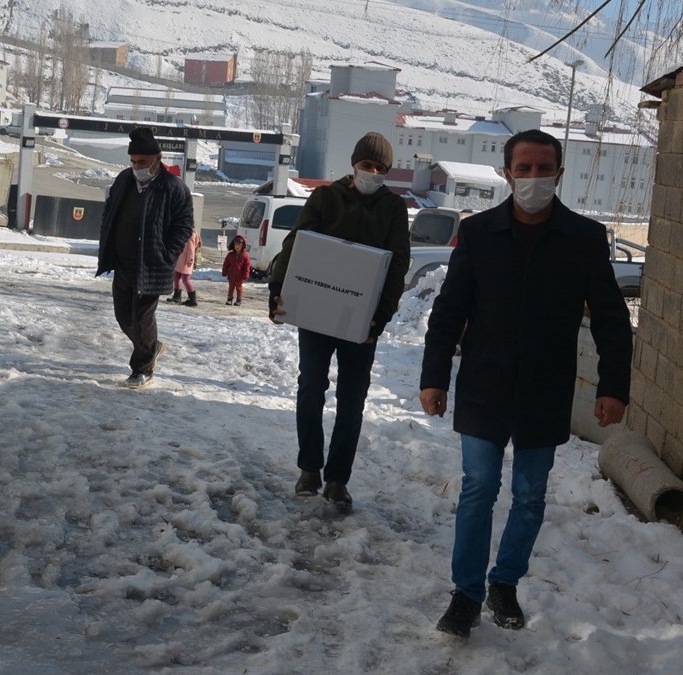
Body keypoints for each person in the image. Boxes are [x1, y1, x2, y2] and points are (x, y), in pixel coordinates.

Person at [419, 129, 632, 638]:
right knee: (478, 488)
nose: (533, 178)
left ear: (559, 174)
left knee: (531, 494)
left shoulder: (583, 238)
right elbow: (449, 311)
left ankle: (505, 582)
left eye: (544, 169)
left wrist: (613, 386)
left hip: (545, 388)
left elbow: (610, 319)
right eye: (524, 168)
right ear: (507, 173)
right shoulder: (479, 234)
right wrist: (433, 376)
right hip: (484, 383)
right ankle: (466, 595)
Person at [268, 132, 411, 513]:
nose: (373, 173)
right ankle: (310, 469)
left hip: (360, 323)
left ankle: (337, 479)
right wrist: (278, 288)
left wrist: (380, 319)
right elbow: (296, 243)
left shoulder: (393, 209)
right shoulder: (325, 198)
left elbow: (397, 265)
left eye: (381, 169)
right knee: (310, 388)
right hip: (316, 314)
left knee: (352, 400)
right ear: (354, 164)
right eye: (368, 165)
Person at [96, 127, 195, 389]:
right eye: (133, 161)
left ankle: (142, 368)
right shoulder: (123, 181)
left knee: (141, 318)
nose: (136, 166)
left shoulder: (174, 188)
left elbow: (185, 226)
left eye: (141, 162)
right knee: (123, 317)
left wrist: (168, 253)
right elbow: (109, 210)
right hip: (123, 262)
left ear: (156, 159)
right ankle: (153, 347)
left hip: (152, 264)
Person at [168, 228, 202, 307]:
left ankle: (192, 299)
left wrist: (190, 260)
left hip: (186, 261)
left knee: (185, 279)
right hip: (180, 259)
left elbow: (191, 248)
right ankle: (177, 296)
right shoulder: (185, 231)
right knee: (176, 277)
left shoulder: (191, 234)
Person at [222, 235, 252, 306]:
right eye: (236, 245)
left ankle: (239, 300)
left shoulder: (245, 256)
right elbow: (226, 264)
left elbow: (247, 266)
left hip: (239, 276)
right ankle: (229, 299)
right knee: (231, 288)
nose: (237, 247)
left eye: (239, 245)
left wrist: (246, 275)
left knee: (239, 288)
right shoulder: (230, 255)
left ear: (242, 246)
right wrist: (224, 271)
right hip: (231, 275)